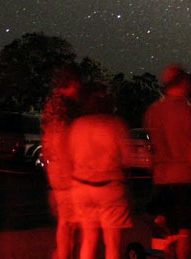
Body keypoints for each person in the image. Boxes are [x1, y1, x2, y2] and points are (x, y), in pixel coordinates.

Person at [144, 64, 191, 259]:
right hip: (188, 180)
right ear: (183, 82)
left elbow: (152, 149)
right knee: (186, 232)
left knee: (171, 233)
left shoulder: (153, 111)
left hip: (162, 180)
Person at [67, 83, 135, 259]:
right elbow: (127, 159)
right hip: (109, 188)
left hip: (81, 186)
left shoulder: (78, 125)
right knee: (112, 244)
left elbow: (71, 157)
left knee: (88, 241)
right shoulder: (116, 124)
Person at [41, 65, 84, 259]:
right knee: (71, 224)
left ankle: (63, 254)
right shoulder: (66, 107)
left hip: (56, 171)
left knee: (66, 223)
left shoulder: (51, 104)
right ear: (73, 84)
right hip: (68, 172)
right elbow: (64, 140)